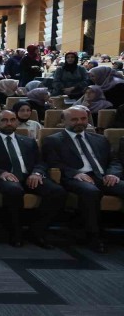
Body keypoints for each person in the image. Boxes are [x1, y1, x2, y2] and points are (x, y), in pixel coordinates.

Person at [0, 110, 66, 248]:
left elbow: (41, 162)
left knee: (57, 191)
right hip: (4, 177)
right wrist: (1, 173)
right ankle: (15, 233)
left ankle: (37, 231)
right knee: (14, 190)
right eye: (4, 120)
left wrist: (36, 173)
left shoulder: (29, 141)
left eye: (12, 120)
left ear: (17, 122)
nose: (9, 123)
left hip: (29, 176)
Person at [42, 107, 124, 254]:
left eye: (83, 118)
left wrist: (113, 174)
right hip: (76, 178)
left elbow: (114, 161)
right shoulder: (53, 140)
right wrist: (75, 173)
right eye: (74, 119)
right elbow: (53, 163)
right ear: (63, 121)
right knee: (91, 192)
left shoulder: (100, 139)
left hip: (103, 176)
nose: (79, 122)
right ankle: (93, 236)